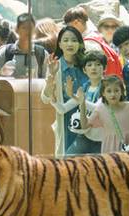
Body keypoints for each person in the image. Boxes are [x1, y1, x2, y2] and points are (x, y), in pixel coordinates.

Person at [41, 26, 88, 157]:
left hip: (88, 118)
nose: (70, 44)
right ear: (60, 44)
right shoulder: (55, 65)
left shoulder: (87, 63)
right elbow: (45, 98)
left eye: (74, 40)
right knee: (67, 163)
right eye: (65, 40)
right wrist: (50, 77)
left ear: (79, 43)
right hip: (66, 120)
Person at [70, 75, 129, 153]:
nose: (113, 94)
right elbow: (85, 126)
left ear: (122, 92)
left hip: (127, 148)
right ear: (103, 93)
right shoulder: (100, 109)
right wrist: (82, 104)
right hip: (108, 150)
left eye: (116, 90)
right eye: (109, 91)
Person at [62, 6, 122, 78]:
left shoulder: (88, 44)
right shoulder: (96, 37)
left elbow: (95, 73)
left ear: (76, 22)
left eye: (68, 26)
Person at [67, 50, 107, 154]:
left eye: (98, 64)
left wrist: (78, 99)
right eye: (89, 65)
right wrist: (52, 96)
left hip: (102, 139)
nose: (93, 68)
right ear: (84, 70)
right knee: (68, 159)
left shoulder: (108, 87)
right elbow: (63, 108)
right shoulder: (85, 87)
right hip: (84, 135)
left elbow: (99, 109)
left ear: (104, 68)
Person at [0, 13, 48, 78]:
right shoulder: (6, 51)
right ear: (17, 29)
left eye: (30, 28)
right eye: (24, 28)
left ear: (34, 30)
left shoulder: (42, 53)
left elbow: (47, 80)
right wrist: (7, 78)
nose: (28, 31)